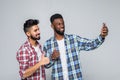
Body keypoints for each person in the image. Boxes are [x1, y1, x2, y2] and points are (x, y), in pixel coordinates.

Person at [43, 13, 108, 80]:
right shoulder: (48, 44)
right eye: (59, 24)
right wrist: (52, 58)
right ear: (52, 26)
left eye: (63, 23)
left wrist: (102, 36)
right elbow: (45, 65)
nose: (62, 26)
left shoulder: (74, 39)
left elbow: (90, 44)